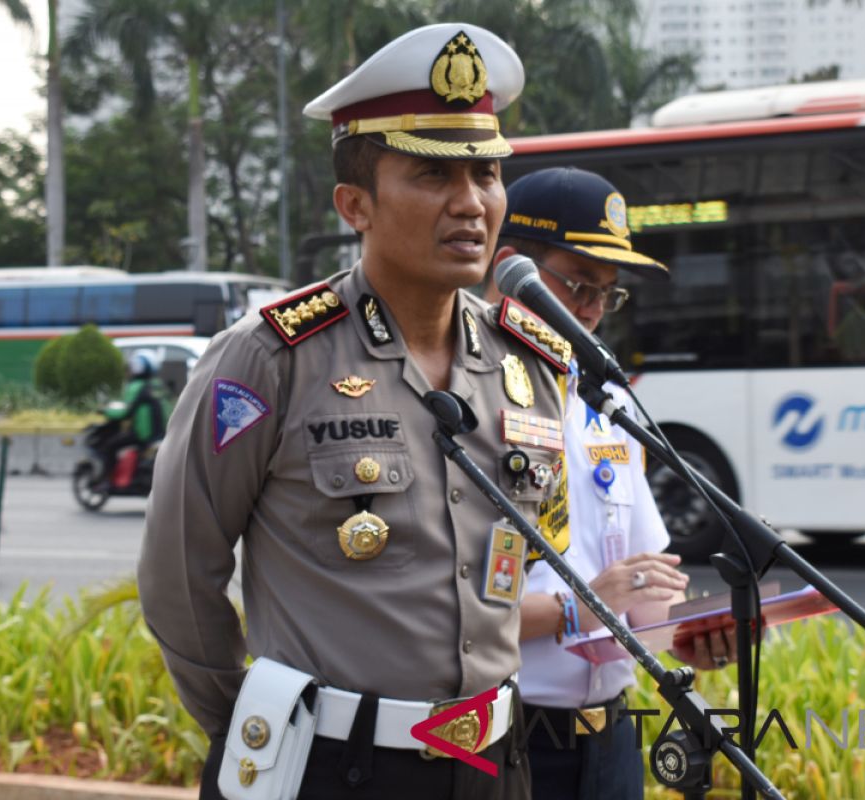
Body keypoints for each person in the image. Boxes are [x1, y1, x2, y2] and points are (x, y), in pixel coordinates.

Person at [139, 23, 574, 800]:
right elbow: (179, 570)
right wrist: (249, 726)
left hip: (491, 766)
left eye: (486, 173)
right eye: (434, 177)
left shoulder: (533, 363)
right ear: (355, 205)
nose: (471, 204)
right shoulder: (272, 357)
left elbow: (522, 559)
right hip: (329, 768)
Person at [486, 167, 738, 800]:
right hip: (504, 735)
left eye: (608, 292)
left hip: (609, 738)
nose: (594, 309)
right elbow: (442, 609)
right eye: (576, 284)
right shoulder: (463, 396)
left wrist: (688, 639)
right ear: (513, 267)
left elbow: (636, 579)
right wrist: (580, 605)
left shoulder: (607, 403)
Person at [97, 350, 169, 487]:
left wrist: (105, 411)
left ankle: (106, 481)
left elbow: (126, 412)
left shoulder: (137, 386)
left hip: (143, 435)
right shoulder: (158, 385)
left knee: (110, 446)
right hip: (162, 434)